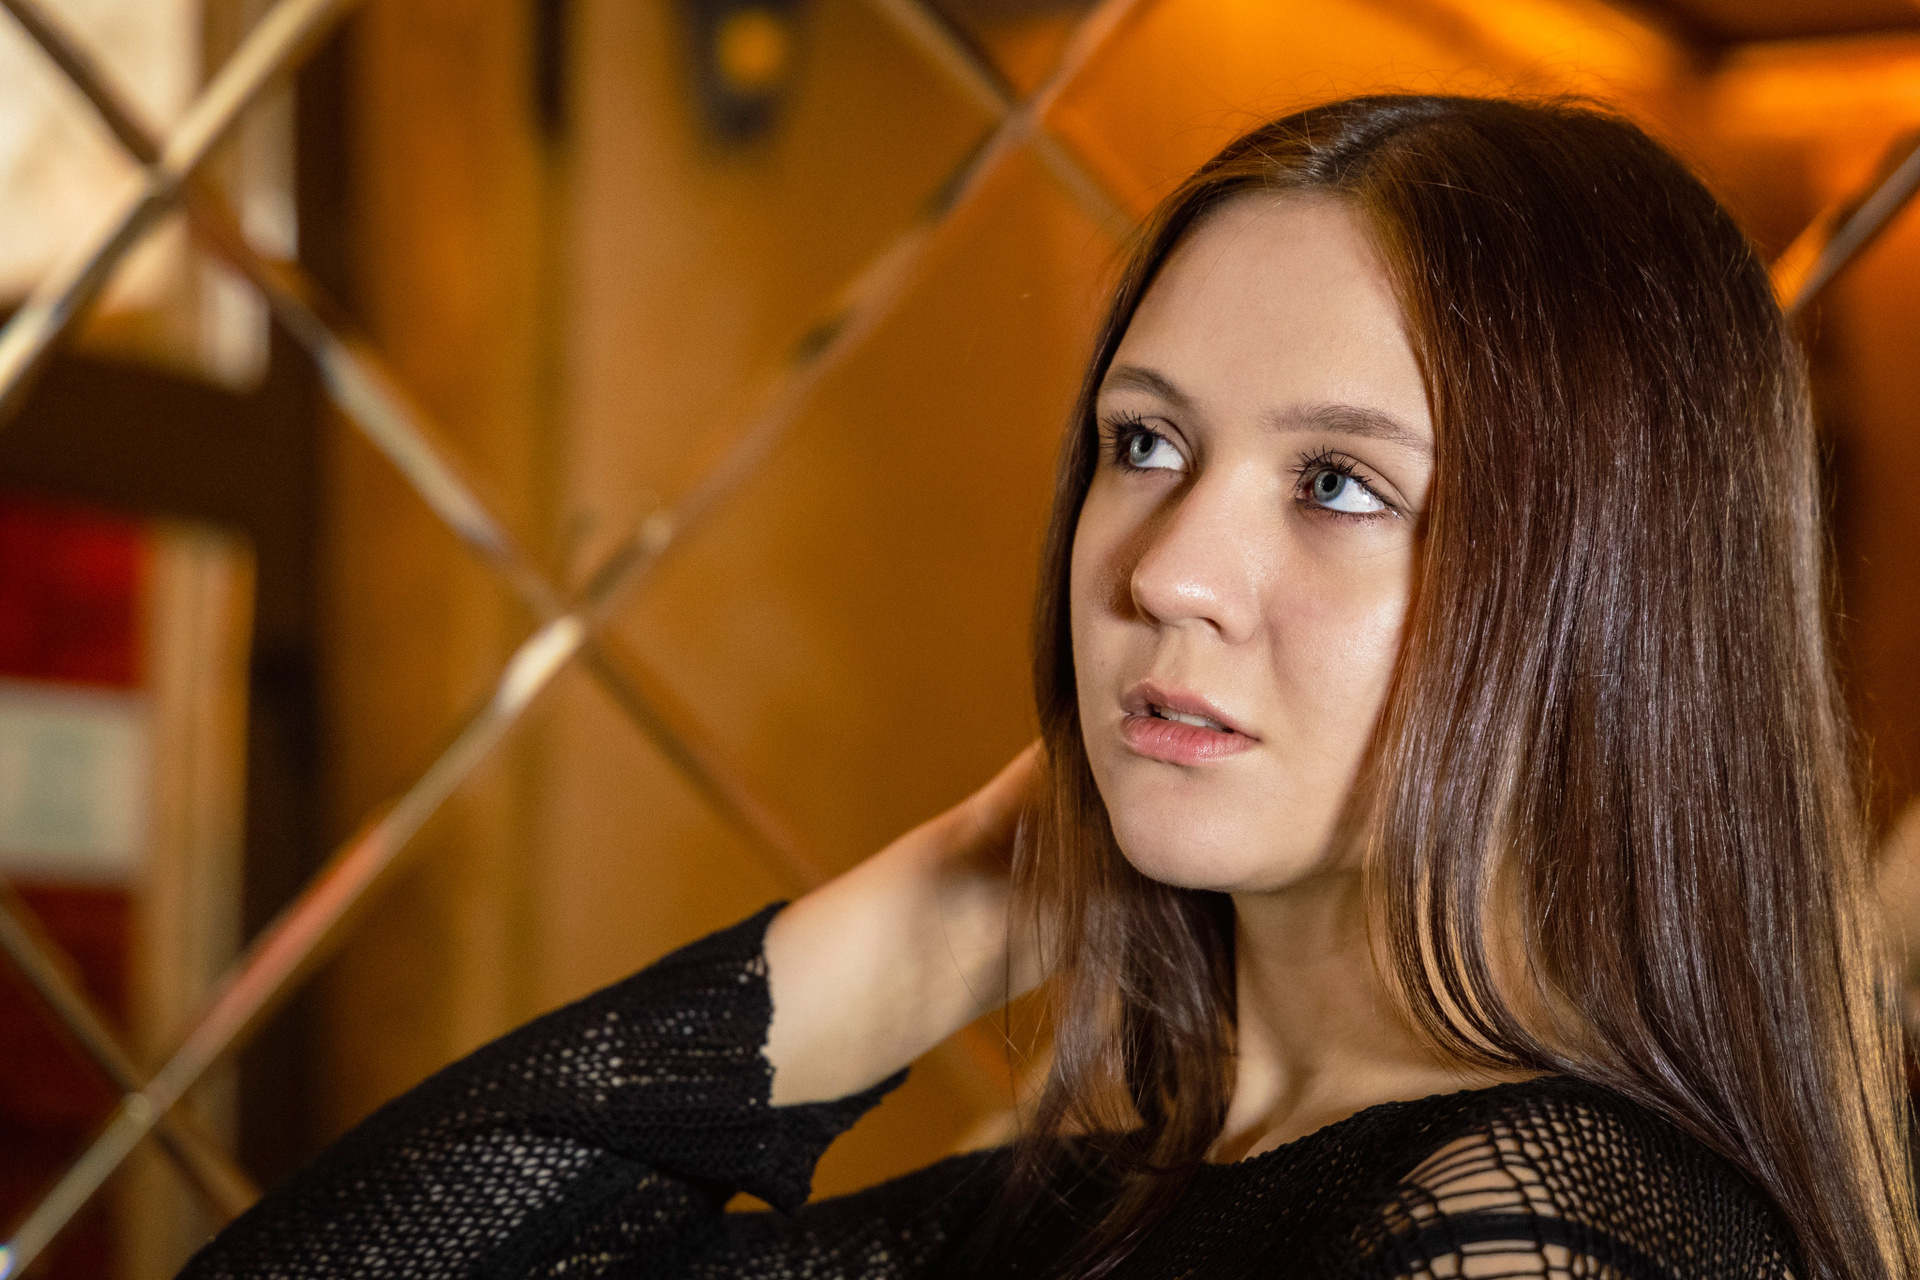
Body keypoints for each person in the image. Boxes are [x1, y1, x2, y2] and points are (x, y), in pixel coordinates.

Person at [179, 94, 1918, 1279]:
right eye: (1146, 443)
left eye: (1336, 484)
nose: (1165, 570)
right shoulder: (1110, 1198)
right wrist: (967, 899)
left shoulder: (1534, 1233)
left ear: (1607, 600)